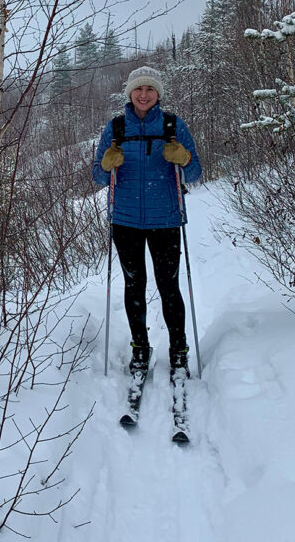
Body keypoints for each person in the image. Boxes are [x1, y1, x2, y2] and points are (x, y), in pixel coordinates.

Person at [92, 66, 201, 379]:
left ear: (158, 94)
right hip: (125, 221)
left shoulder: (172, 125)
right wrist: (106, 164)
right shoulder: (115, 127)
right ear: (129, 93)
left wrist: (184, 158)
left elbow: (194, 173)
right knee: (133, 286)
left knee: (169, 286)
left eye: (150, 90)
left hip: (165, 219)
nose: (143, 95)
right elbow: (98, 177)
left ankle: (178, 350)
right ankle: (140, 348)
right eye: (138, 90)